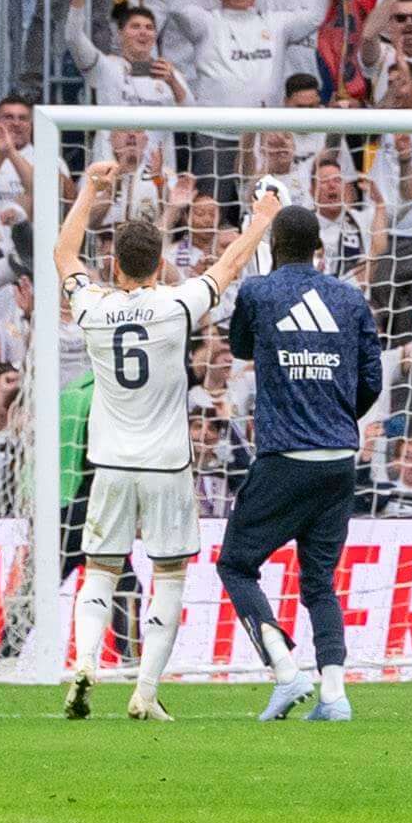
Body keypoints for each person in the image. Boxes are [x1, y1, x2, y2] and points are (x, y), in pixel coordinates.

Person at [54, 153, 255, 722]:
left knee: (100, 568)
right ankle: (144, 691)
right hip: (167, 463)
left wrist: (92, 188)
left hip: (111, 461)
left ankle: (87, 661)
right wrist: (261, 218)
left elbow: (64, 253)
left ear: (114, 266)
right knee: (168, 573)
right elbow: (227, 265)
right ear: (161, 263)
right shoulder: (176, 304)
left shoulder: (91, 307)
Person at [220, 193, 381, 723]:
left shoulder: (260, 292)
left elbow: (241, 348)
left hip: (286, 455)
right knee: (319, 580)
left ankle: (285, 672)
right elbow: (371, 383)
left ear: (272, 245)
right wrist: (335, 412)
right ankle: (335, 695)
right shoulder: (351, 299)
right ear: (319, 248)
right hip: (339, 460)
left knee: (237, 564)